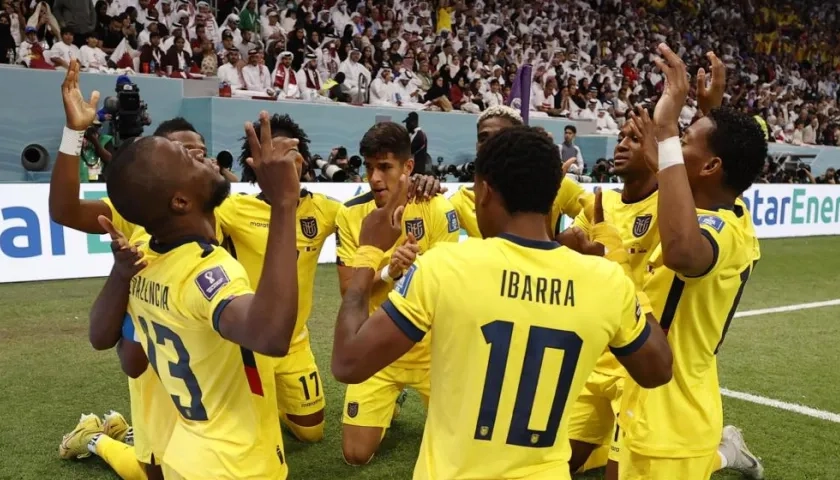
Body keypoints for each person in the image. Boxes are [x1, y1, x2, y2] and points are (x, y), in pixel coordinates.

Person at [330, 125, 673, 479]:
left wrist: (368, 253)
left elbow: (348, 362)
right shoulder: (607, 281)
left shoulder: (444, 268)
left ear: (485, 191)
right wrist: (620, 267)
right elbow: (658, 370)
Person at [103, 109, 300, 479]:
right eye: (188, 159)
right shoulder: (208, 270)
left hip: (186, 453)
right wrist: (285, 202)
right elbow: (271, 336)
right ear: (180, 201)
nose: (205, 159)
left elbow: (126, 356)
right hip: (235, 463)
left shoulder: (143, 257)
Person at [618, 43, 766, 480]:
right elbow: (696, 170)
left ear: (711, 166)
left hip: (675, 416)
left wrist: (668, 130)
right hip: (647, 399)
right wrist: (707, 113)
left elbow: (683, 252)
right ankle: (727, 454)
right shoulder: (712, 204)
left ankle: (723, 455)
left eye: (685, 142)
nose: (672, 146)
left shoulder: (724, 231)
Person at [52, 61, 173, 480]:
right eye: (178, 153)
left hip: (210, 356)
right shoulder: (131, 213)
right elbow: (64, 210)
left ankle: (126, 430)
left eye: (198, 153)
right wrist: (75, 133)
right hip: (152, 360)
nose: (192, 160)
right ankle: (95, 438)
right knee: (155, 474)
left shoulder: (224, 211)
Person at [334, 121, 460, 465]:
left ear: (408, 167)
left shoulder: (437, 208)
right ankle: (389, 400)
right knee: (355, 455)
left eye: (385, 167)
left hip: (431, 349)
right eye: (369, 167)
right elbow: (348, 291)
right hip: (376, 347)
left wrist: (414, 270)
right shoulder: (351, 213)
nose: (374, 178)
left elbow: (445, 288)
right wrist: (390, 272)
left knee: (458, 449)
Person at [219, 113, 342, 443]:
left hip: (295, 342)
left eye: (293, 155)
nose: (288, 164)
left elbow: (372, 215)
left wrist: (414, 187)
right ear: (257, 166)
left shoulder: (324, 210)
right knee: (252, 437)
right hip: (247, 343)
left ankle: (271, 400)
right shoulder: (232, 210)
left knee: (311, 433)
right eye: (276, 155)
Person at [448, 105, 590, 239]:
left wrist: (570, 238)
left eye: (501, 137)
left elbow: (597, 209)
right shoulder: (462, 199)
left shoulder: (557, 184)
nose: (491, 144)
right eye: (483, 138)